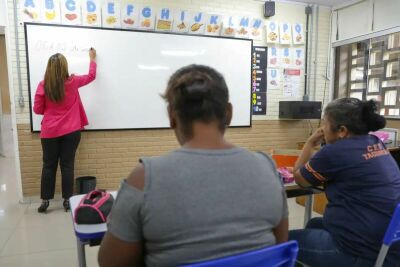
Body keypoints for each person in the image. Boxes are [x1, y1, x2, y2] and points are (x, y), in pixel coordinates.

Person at [98, 65, 289, 267]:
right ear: (229, 113)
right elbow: (280, 248)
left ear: (171, 116)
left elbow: (110, 263)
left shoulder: (144, 179)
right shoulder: (267, 168)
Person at [290, 98, 400, 267]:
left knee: (278, 240)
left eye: (325, 124)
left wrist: (310, 142)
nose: (322, 129)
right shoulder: (375, 142)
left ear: (342, 130)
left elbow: (300, 179)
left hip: (358, 251)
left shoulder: (335, 152)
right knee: (314, 223)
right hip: (388, 246)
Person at [33, 49, 97, 213]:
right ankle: (67, 201)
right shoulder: (73, 81)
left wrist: (52, 110)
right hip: (71, 131)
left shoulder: (43, 85)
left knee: (48, 166)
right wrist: (92, 59)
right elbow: (91, 76)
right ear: (64, 67)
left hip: (49, 132)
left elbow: (38, 109)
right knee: (67, 166)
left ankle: (45, 201)